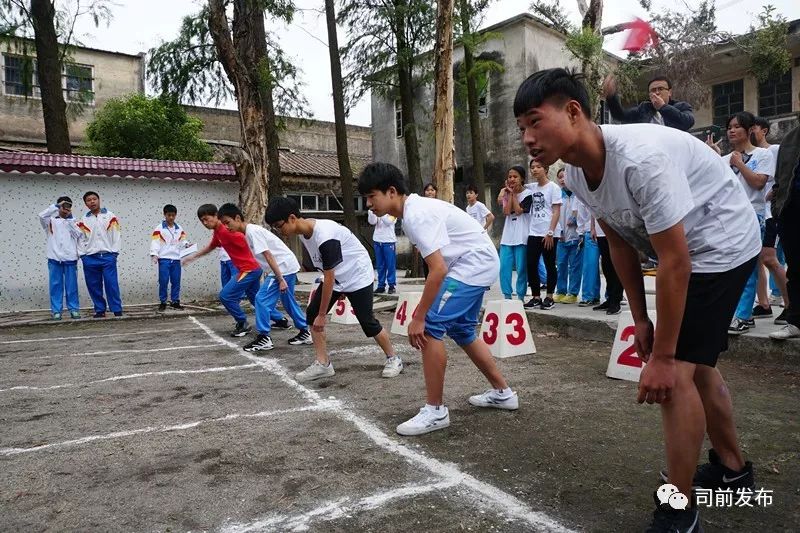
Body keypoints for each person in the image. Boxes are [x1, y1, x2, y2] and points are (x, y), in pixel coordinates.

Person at [515, 67, 760, 532]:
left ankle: (680, 509)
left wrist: (664, 356)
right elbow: (619, 240)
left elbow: (676, 262)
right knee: (700, 366)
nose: (527, 138)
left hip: (720, 247)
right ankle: (734, 469)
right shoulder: (578, 175)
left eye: (533, 121)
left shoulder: (640, 158)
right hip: (690, 252)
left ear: (573, 111)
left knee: (677, 375)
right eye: (521, 129)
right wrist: (640, 318)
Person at [358, 162, 518, 436]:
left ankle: (435, 411)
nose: (369, 204)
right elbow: (441, 267)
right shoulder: (412, 213)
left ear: (392, 191)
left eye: (372, 197)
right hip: (475, 263)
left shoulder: (417, 214)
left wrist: (419, 316)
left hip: (473, 264)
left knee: (430, 329)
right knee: (463, 330)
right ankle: (504, 393)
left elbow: (438, 269)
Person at [264, 197, 403, 382]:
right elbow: (328, 272)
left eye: (278, 225)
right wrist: (319, 313)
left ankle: (394, 358)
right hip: (338, 275)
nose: (278, 231)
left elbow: (329, 276)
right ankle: (323, 364)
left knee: (367, 321)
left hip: (357, 275)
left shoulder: (325, 235)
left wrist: (324, 314)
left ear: (291, 218)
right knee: (312, 313)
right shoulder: (304, 233)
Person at [706, 112, 774, 335]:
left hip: (753, 216)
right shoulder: (725, 160)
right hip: (729, 218)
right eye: (729, 127)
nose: (731, 130)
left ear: (749, 129)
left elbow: (758, 183)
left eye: (737, 126)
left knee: (748, 265)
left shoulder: (763, 154)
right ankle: (737, 313)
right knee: (731, 266)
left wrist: (739, 164)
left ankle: (743, 316)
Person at [217, 203, 311, 351]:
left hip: (282, 268)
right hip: (287, 265)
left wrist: (279, 279)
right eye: (223, 224)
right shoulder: (248, 233)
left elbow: (268, 255)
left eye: (227, 223)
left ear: (237, 218)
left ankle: (263, 337)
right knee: (288, 301)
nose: (226, 227)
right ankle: (305, 331)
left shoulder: (252, 232)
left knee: (260, 299)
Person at [183, 204, 262, 338]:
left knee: (226, 295)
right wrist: (193, 257)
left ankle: (242, 322)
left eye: (207, 219)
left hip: (249, 269)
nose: (205, 223)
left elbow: (249, 239)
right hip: (250, 269)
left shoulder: (228, 230)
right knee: (256, 299)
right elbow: (211, 247)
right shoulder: (218, 232)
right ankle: (280, 320)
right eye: (202, 221)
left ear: (216, 216)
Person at [751, 116, 789, 324]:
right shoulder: (749, 155)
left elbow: (784, 175)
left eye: (753, 128)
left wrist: (775, 191)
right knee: (756, 260)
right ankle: (764, 304)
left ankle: (790, 305)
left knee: (770, 259)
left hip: (770, 215)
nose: (750, 132)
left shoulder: (773, 151)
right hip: (754, 215)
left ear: (764, 130)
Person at [770, 123, 800, 340]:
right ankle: (796, 321)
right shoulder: (790, 139)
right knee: (796, 270)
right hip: (792, 212)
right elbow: (780, 179)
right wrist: (778, 209)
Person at [77, 191, 123, 318]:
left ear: (99, 200)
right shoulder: (83, 219)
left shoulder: (110, 216)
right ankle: (100, 310)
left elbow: (116, 235)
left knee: (111, 284)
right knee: (93, 285)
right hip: (90, 258)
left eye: (94, 199)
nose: (92, 202)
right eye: (88, 200)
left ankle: (117, 309)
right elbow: (80, 239)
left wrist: (114, 253)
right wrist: (83, 256)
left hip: (108, 257)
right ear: (85, 204)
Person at [523, 160, 561, 310]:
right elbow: (512, 186)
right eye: (532, 167)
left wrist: (550, 232)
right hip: (534, 232)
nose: (534, 170)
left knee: (550, 264)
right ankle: (536, 296)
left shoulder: (554, 188)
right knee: (531, 264)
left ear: (546, 169)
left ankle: (550, 296)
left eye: (538, 167)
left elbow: (556, 210)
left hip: (549, 233)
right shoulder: (531, 188)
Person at [38, 197, 83, 320]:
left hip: (70, 259)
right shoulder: (50, 221)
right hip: (54, 258)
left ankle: (74, 309)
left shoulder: (74, 222)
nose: (65, 208)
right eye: (63, 205)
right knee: (55, 285)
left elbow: (79, 234)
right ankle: (56, 310)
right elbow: (41, 216)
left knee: (71, 286)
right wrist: (55, 206)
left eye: (68, 205)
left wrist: (69, 219)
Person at [601, 74, 695, 131]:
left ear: (669, 92)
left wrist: (663, 107)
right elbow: (620, 116)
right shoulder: (644, 108)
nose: (657, 92)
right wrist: (611, 96)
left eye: (661, 89)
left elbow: (688, 122)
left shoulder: (681, 106)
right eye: (653, 90)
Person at [497, 166, 532, 300]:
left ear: (522, 178)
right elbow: (506, 212)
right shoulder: (505, 193)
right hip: (507, 237)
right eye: (510, 177)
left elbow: (518, 210)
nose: (512, 179)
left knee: (521, 268)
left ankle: (521, 296)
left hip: (522, 236)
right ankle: (507, 295)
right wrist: (509, 194)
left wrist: (512, 195)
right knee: (504, 267)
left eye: (515, 177)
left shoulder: (528, 194)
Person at [150, 204, 188, 311]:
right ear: (164, 215)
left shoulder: (179, 228)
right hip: (164, 258)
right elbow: (155, 242)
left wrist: (187, 244)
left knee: (176, 281)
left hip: (176, 258)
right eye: (169, 215)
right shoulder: (159, 228)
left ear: (175, 215)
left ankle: (175, 301)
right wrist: (154, 254)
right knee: (163, 280)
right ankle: (163, 301)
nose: (171, 217)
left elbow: (183, 239)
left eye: (173, 215)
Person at [554, 169, 582, 304]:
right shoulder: (558, 196)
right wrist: (558, 232)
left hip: (576, 238)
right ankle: (561, 291)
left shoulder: (579, 194)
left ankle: (573, 293)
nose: (562, 179)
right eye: (559, 177)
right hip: (561, 237)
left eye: (565, 176)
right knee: (561, 265)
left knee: (575, 266)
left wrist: (575, 220)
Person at [367, 209, 398, 294]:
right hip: (377, 240)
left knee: (390, 265)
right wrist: (371, 212)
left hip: (389, 241)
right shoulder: (377, 210)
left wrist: (381, 211)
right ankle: (381, 285)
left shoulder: (393, 211)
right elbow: (372, 222)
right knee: (380, 265)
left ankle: (392, 285)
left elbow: (388, 221)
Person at [576, 200, 600, 307]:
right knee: (590, 265)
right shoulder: (581, 193)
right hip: (589, 233)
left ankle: (612, 296)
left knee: (610, 266)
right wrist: (581, 234)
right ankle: (589, 296)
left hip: (608, 232)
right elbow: (581, 216)